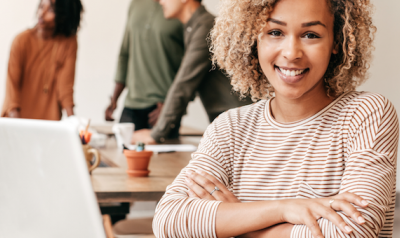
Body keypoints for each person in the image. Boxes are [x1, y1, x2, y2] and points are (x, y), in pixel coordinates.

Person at [153, 0, 398, 237]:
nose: (292, 53)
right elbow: (168, 219)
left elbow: (353, 231)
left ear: (336, 41)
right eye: (275, 32)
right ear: (253, 38)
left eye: (311, 34)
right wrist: (284, 209)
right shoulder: (229, 128)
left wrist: (240, 225)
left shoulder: (366, 114)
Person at [131, 0, 251, 144]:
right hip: (230, 123)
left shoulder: (206, 27)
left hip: (241, 125)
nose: (160, 1)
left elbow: (184, 84)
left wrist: (156, 134)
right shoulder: (194, 27)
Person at [105, 0, 184, 135]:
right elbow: (125, 53)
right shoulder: (136, 4)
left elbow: (192, 67)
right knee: (121, 152)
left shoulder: (178, 7)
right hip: (132, 102)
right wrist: (114, 100)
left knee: (164, 156)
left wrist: (172, 107)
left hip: (162, 106)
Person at [1, 0, 83, 120]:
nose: (41, 13)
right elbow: (12, 87)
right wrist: (17, 124)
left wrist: (74, 122)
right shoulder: (21, 41)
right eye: (41, 6)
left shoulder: (68, 42)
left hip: (48, 124)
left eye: (50, 9)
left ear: (64, 14)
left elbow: (65, 86)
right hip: (16, 119)